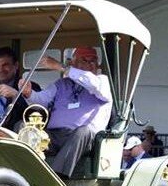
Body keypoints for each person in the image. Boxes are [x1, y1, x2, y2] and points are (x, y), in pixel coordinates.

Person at [20, 46, 112, 177]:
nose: (91, 64)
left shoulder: (102, 81)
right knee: (27, 129)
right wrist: (29, 93)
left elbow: (91, 83)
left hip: (85, 139)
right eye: (85, 60)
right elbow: (42, 100)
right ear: (73, 63)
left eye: (94, 60)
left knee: (83, 131)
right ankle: (24, 174)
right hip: (56, 135)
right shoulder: (61, 84)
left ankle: (57, 178)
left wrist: (62, 67)